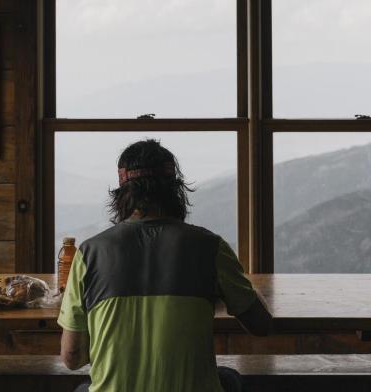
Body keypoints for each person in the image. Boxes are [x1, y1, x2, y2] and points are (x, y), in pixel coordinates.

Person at [58, 139, 273, 392]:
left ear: (122, 193)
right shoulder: (210, 246)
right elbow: (261, 325)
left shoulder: (89, 253)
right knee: (230, 379)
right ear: (175, 189)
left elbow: (72, 358)